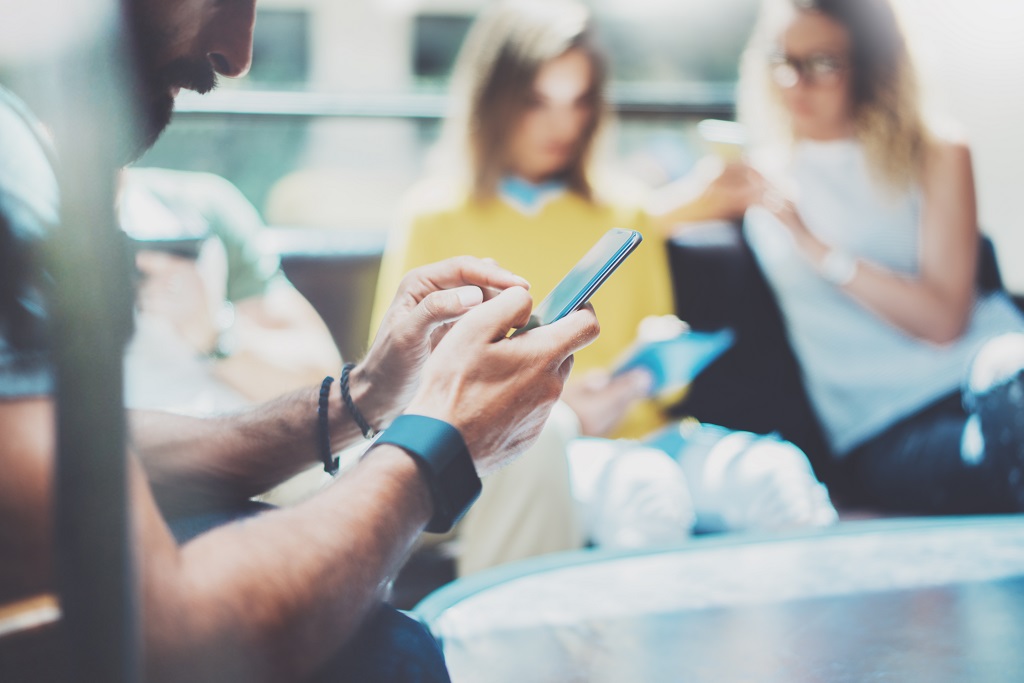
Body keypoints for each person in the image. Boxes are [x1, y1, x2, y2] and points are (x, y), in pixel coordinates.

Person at [0, 1, 601, 682]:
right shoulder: (12, 175)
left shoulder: (187, 207)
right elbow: (172, 637)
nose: (238, 52)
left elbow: (87, 450)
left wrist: (365, 393)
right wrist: (434, 446)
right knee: (390, 651)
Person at [372, 0, 837, 574]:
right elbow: (402, 383)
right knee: (646, 493)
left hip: (649, 436)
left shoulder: (627, 210)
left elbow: (659, 383)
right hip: (529, 449)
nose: (560, 125)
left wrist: (645, 377)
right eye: (537, 101)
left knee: (780, 475)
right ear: (494, 102)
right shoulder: (433, 216)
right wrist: (561, 405)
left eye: (579, 101)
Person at [732, 0, 1024, 513]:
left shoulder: (936, 153)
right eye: (783, 61)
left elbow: (943, 322)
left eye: (822, 64)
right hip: (887, 429)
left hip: (991, 374)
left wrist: (820, 252)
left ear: (873, 66)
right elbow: (639, 215)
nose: (795, 83)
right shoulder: (759, 179)